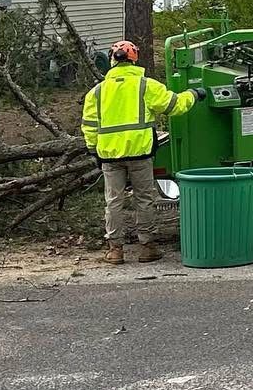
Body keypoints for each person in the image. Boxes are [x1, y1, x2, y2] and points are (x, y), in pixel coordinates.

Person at [82, 41, 202, 265]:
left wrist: (93, 150)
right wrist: (194, 94)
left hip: (109, 155)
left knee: (113, 201)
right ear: (135, 58)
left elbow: (89, 125)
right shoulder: (145, 86)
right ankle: (147, 247)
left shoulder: (96, 92)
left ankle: (115, 249)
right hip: (140, 153)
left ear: (112, 60)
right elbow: (174, 105)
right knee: (144, 199)